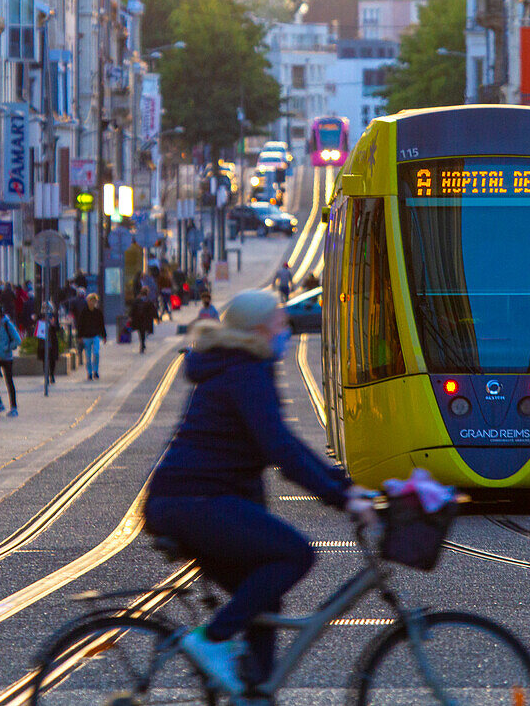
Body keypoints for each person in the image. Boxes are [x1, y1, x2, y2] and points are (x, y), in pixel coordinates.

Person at [143, 290, 376, 696]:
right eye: (280, 324)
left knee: (264, 599)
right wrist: (343, 499)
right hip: (193, 502)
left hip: (193, 500)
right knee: (294, 553)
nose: (287, 332)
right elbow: (280, 449)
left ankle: (252, 693)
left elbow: (287, 444)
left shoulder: (243, 367)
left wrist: (345, 488)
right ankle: (211, 640)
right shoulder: (243, 372)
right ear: (257, 330)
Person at [0, 304, 21, 416]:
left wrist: (7, 348)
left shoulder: (7, 324)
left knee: (9, 382)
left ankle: (13, 407)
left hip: (6, 358)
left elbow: (17, 340)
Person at [76, 293, 107, 381]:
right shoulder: (84, 312)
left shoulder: (98, 312)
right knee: (88, 355)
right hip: (86, 336)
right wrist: (80, 336)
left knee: (96, 353)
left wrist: (104, 336)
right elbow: (80, 325)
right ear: (88, 301)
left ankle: (95, 371)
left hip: (95, 335)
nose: (92, 303)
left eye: (94, 301)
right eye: (91, 301)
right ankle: (89, 373)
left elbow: (102, 324)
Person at [35, 308, 62, 384]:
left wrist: (53, 324)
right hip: (43, 340)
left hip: (52, 340)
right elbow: (37, 327)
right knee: (45, 359)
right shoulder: (40, 316)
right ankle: (46, 376)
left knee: (52, 359)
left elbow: (57, 328)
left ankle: (52, 375)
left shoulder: (53, 316)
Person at [130, 287, 159, 354]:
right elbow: (153, 309)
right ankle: (143, 344)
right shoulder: (148, 301)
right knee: (145, 331)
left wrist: (131, 317)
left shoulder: (137, 300)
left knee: (141, 332)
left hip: (138, 319)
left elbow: (133, 309)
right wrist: (156, 317)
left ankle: (142, 343)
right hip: (146, 319)